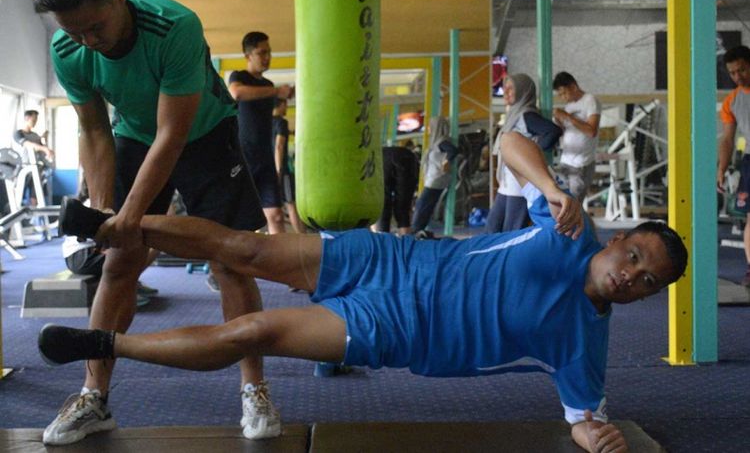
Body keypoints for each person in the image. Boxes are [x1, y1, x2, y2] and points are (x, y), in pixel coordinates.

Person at [41, 132, 687, 453]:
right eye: (634, 255)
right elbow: (507, 141)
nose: (632, 274)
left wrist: (597, 438)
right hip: (391, 256)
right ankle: (104, 225)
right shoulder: (570, 225)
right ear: (617, 239)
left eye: (645, 279)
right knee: (245, 249)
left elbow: (583, 421)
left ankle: (106, 342)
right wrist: (549, 186)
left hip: (395, 329)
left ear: (644, 295)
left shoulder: (586, 346)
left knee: (256, 333)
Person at [35, 0, 279, 444]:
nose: (89, 41)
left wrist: (129, 215)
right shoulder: (68, 48)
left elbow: (173, 134)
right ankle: (93, 397)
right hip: (133, 136)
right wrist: (105, 213)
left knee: (230, 262)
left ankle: (255, 387)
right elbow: (94, 129)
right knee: (117, 265)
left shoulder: (174, 27)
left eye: (96, 26)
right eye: (75, 31)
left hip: (205, 135)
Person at [228, 31, 293, 235]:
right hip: (242, 157)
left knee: (275, 215)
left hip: (265, 158)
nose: (267, 57)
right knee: (240, 219)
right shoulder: (239, 76)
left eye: (269, 52)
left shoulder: (267, 85)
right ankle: (236, 264)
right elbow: (236, 93)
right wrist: (276, 92)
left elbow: (274, 112)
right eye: (261, 53)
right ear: (248, 56)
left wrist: (289, 94)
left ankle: (279, 266)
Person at [485, 73, 562, 233]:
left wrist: (531, 155)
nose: (506, 92)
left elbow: (552, 131)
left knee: (511, 231)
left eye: (510, 88)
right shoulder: (513, 116)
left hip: (519, 185)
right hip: (507, 185)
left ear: (522, 91)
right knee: (492, 229)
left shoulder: (526, 115)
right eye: (504, 89)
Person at [717, 45, 750, 286]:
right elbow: (728, 139)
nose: (738, 76)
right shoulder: (732, 101)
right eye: (733, 72)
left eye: (742, 69)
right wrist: (721, 168)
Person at [552, 72, 602, 203]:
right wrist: (559, 122)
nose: (563, 98)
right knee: (562, 203)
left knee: (573, 206)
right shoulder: (569, 106)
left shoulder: (590, 100)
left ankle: (582, 224)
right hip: (566, 161)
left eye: (564, 93)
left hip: (581, 164)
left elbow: (591, 131)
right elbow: (568, 131)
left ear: (573, 87)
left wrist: (567, 116)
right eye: (560, 95)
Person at [410, 117, 458, 237]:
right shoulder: (437, 143)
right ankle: (418, 230)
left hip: (436, 179)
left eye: (431, 126)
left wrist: (446, 162)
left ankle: (416, 230)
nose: (428, 129)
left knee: (422, 204)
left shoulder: (442, 142)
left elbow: (453, 151)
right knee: (425, 204)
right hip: (433, 179)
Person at [272, 98, 305, 234]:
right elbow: (279, 146)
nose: (286, 108)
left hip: (267, 168)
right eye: (285, 105)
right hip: (281, 168)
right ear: (280, 105)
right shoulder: (281, 122)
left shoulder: (265, 122)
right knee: (290, 203)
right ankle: (302, 237)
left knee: (272, 206)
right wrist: (279, 168)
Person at [373, 145, 419, 236]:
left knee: (382, 203)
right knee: (403, 205)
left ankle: (382, 242)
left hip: (382, 157)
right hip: (407, 157)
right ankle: (406, 243)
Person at [13, 110, 55, 206]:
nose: (35, 122)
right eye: (33, 120)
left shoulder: (35, 136)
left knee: (35, 195)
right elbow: (29, 145)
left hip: (36, 168)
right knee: (18, 197)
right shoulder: (18, 134)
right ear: (27, 119)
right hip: (23, 168)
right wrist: (44, 148)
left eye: (36, 120)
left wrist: (44, 141)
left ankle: (34, 219)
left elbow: (42, 149)